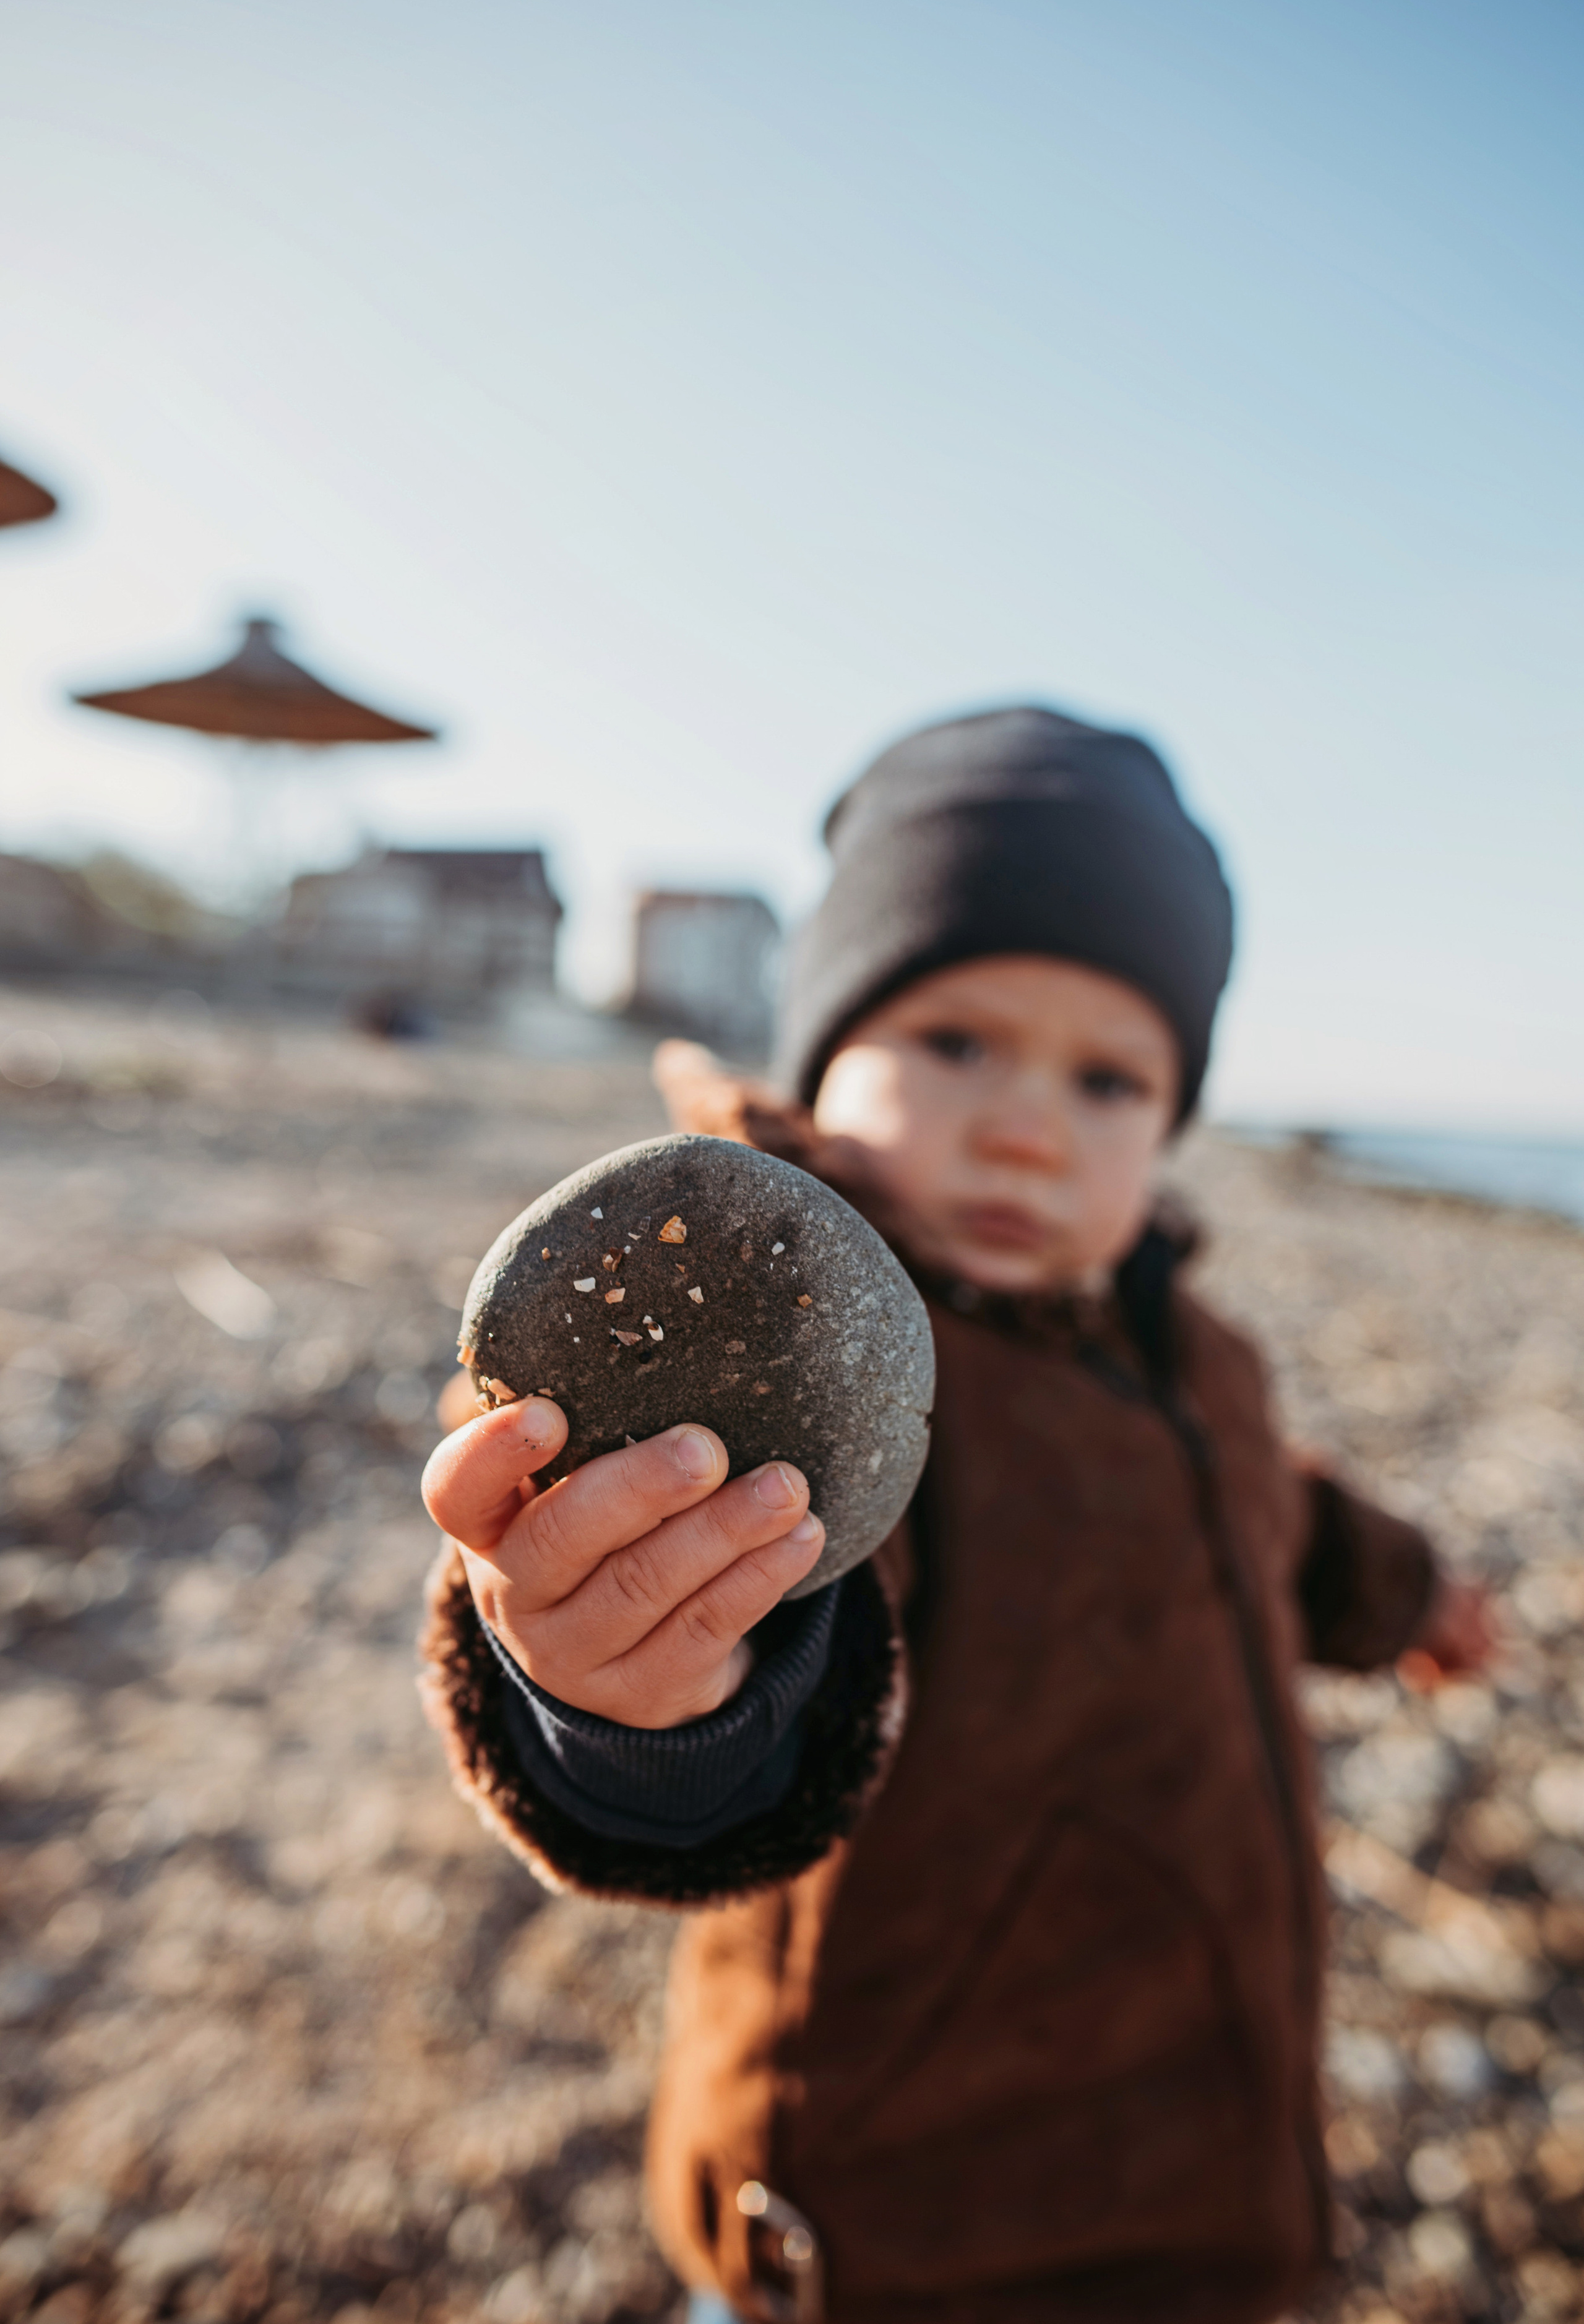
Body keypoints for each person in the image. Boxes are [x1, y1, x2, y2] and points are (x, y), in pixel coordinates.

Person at [421, 706, 1493, 2324]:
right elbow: (783, 1655)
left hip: (1207, 2189)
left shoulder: (1192, 1352)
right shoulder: (790, 1389)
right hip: (891, 2231)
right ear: (822, 1052)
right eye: (954, 1041)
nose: (1025, 1123)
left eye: (1109, 1075)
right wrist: (639, 1696)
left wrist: (1405, 1596)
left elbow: (1275, 1512)